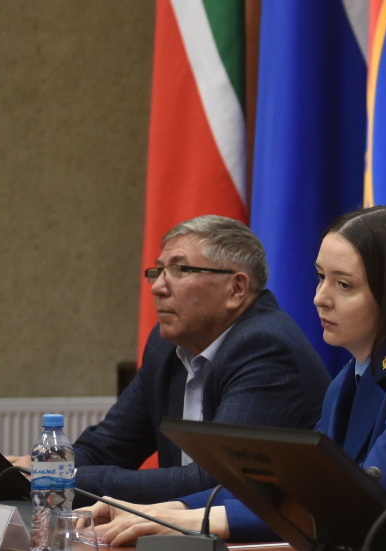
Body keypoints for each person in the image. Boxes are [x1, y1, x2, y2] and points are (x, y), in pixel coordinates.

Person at [98, 206, 386, 551]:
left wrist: (200, 520)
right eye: (321, 277)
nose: (320, 297)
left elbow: (362, 497)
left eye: (344, 284)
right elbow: (288, 490)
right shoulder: (348, 380)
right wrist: (162, 508)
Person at [66, 215, 329, 508]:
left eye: (178, 270)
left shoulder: (265, 348)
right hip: (185, 529)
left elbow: (217, 481)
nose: (157, 287)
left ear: (236, 289)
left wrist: (70, 480)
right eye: (159, 271)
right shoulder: (166, 347)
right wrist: (44, 468)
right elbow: (105, 448)